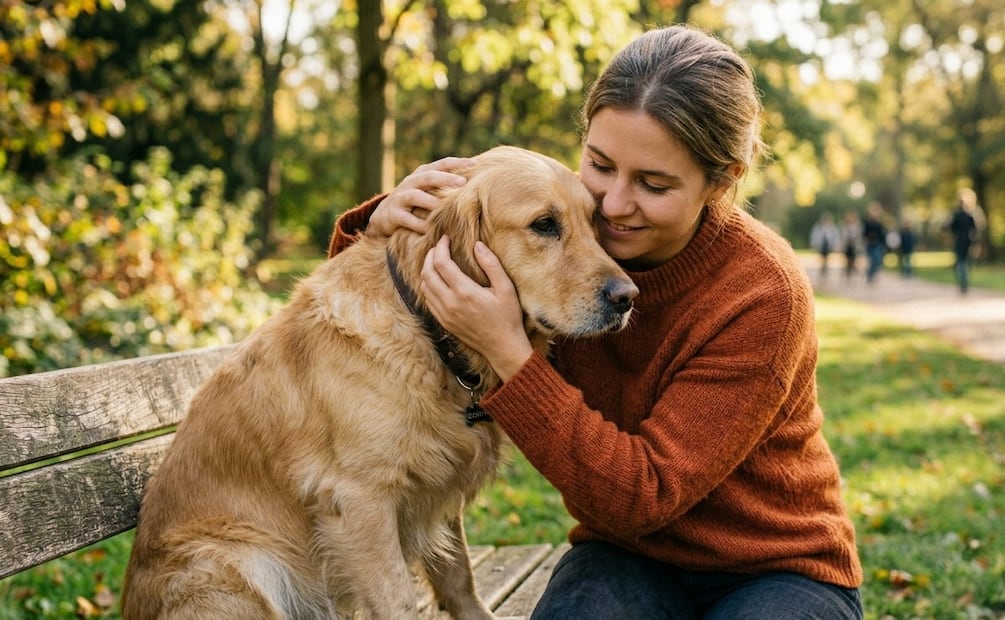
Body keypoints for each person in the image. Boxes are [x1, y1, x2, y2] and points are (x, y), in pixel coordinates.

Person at [329, 24, 863, 619]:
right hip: (626, 558)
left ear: (723, 180)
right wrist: (380, 231)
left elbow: (644, 494)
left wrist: (512, 354)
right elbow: (388, 351)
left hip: (776, 569)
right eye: (601, 164)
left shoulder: (762, 293)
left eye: (653, 184)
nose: (613, 204)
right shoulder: (553, 232)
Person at [947, 189, 979, 294]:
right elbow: (974, 231)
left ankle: (963, 285)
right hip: (966, 242)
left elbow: (951, 229)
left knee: (961, 263)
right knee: (964, 263)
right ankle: (964, 284)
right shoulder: (969, 216)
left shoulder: (958, 216)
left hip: (962, 242)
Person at [861, 201, 887, 284]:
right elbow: (864, 234)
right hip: (871, 244)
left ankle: (871, 274)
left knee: (878, 261)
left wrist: (884, 244)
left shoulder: (880, 222)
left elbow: (882, 234)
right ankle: (870, 274)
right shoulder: (867, 222)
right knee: (873, 260)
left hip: (878, 244)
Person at [809, 211, 841, 277]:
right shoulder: (818, 227)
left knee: (826, 258)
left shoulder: (832, 228)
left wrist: (836, 245)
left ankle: (825, 269)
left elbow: (835, 237)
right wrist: (814, 245)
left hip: (828, 245)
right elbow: (815, 236)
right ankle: (823, 269)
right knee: (822, 258)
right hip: (821, 245)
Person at [840, 211, 863, 281]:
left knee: (853, 259)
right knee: (847, 260)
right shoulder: (844, 226)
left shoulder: (857, 226)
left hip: (853, 246)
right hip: (847, 246)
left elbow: (859, 236)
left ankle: (851, 270)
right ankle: (848, 272)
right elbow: (843, 236)